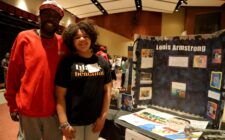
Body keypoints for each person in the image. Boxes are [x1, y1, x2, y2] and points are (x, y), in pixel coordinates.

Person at [4, 0, 67, 140]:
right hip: (28, 111)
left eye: (55, 16)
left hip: (54, 111)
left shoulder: (63, 43)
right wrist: (12, 105)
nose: (51, 18)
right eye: (47, 14)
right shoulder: (24, 38)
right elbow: (12, 74)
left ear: (59, 21)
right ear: (39, 16)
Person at [55, 19, 112, 140]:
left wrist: (103, 117)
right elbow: (60, 96)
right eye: (77, 37)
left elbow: (108, 91)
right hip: (73, 122)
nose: (82, 40)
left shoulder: (102, 62)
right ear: (72, 41)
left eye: (85, 36)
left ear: (91, 38)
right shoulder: (67, 63)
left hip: (94, 121)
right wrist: (64, 123)